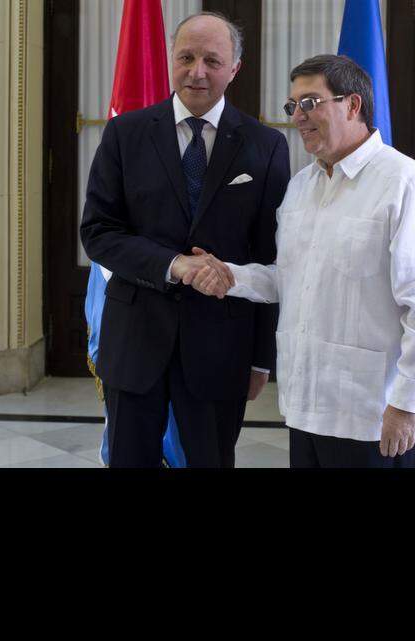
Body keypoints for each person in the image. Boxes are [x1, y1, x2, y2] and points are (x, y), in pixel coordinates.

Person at [187, 54, 415, 468]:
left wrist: (406, 404)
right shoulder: (301, 186)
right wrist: (230, 277)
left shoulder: (404, 184)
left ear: (353, 105)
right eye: (293, 106)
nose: (298, 117)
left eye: (311, 102)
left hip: (370, 416)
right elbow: (290, 279)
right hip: (306, 405)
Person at [79, 12, 290, 467]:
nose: (197, 71)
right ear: (170, 60)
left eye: (212, 60)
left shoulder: (267, 145)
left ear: (235, 68)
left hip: (221, 348)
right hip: (135, 342)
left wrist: (260, 359)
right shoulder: (124, 134)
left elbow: (270, 258)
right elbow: (98, 233)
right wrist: (175, 265)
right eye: (187, 57)